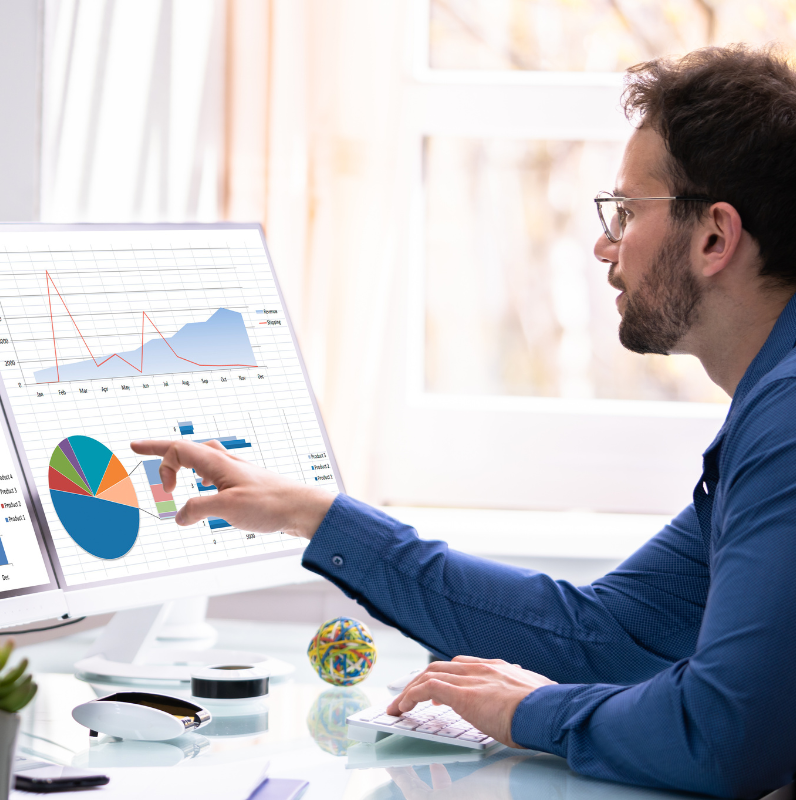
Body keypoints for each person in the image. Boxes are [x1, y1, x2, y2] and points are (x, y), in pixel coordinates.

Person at [132, 44, 796, 797]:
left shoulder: (788, 424)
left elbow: (723, 735)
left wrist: (533, 712)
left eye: (625, 211)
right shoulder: (768, 415)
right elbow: (599, 636)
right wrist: (314, 515)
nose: (604, 245)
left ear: (714, 237)